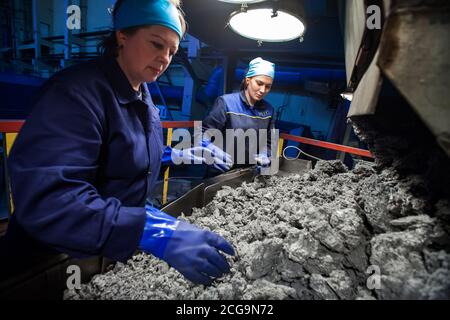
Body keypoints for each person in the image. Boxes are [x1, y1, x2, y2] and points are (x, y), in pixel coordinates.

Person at [2, 0, 234, 286]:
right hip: (44, 264)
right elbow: (50, 201)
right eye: (156, 44)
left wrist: (178, 156)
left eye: (172, 51)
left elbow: (123, 155)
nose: (165, 58)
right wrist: (150, 229)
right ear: (122, 35)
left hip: (100, 253)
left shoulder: (143, 97)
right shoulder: (76, 95)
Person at [201, 57, 277, 177]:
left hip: (249, 173)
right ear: (248, 80)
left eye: (268, 86)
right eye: (259, 83)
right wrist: (212, 151)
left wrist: (265, 154)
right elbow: (203, 134)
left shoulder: (268, 110)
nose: (263, 90)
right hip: (221, 172)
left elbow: (269, 141)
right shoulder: (226, 103)